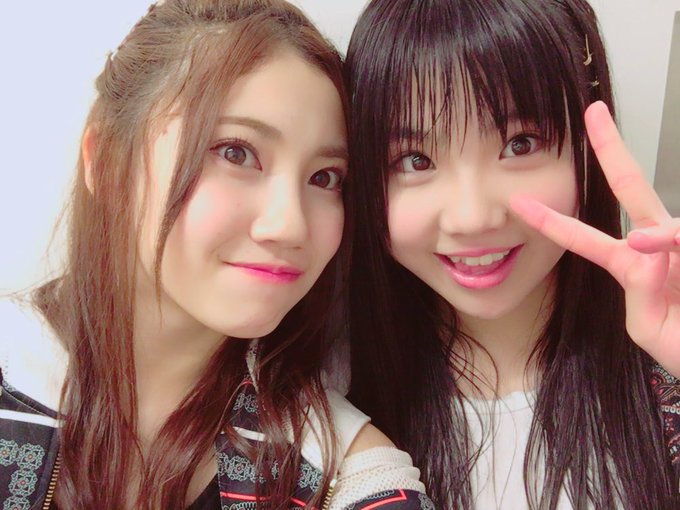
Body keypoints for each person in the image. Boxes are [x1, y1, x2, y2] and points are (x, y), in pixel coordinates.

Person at [0, 1, 433, 508]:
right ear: (108, 162)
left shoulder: (345, 473)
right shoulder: (17, 370)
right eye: (236, 152)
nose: (290, 225)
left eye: (324, 177)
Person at [343, 0, 680, 508]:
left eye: (520, 144)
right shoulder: (322, 401)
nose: (473, 218)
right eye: (415, 160)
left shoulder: (662, 369)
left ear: (585, 150)